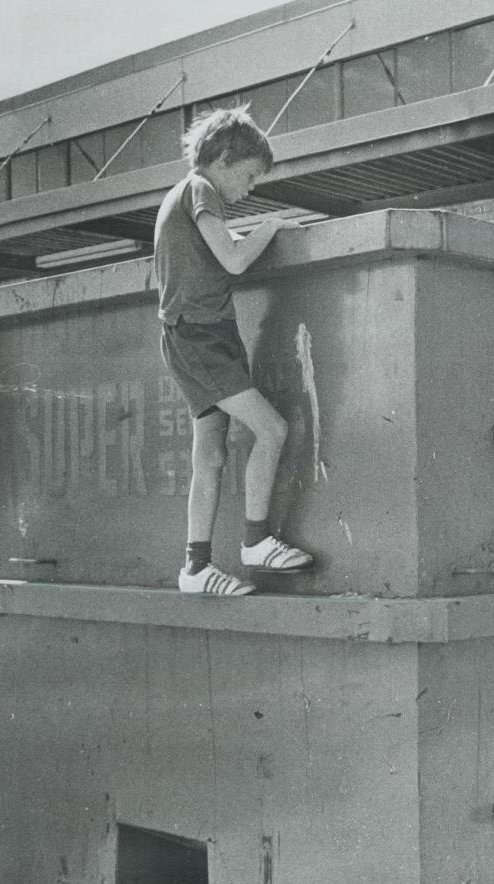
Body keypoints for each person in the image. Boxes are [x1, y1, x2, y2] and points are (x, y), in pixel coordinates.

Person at [154, 106, 315, 596]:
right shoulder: (200, 190)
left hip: (200, 335)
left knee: (211, 456)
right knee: (272, 429)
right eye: (247, 177)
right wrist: (275, 226)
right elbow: (235, 260)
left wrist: (248, 233)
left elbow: (216, 253)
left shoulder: (180, 196)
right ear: (223, 158)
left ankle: (196, 567)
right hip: (200, 336)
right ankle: (256, 540)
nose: (249, 190)